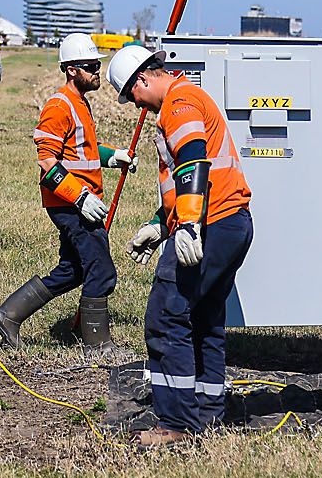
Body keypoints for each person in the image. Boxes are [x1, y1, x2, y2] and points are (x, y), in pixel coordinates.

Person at [106, 39, 253, 448]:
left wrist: (186, 226)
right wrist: (161, 224)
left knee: (167, 315)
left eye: (131, 94)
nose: (136, 104)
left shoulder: (179, 103)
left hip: (210, 223)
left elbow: (193, 159)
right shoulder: (187, 98)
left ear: (143, 79)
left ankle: (175, 424)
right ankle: (206, 415)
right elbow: (186, 180)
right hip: (228, 223)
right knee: (204, 319)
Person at [0, 33, 133, 351]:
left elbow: (83, 152)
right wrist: (80, 198)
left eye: (97, 64)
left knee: (73, 270)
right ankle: (97, 344)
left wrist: (113, 156)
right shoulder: (59, 105)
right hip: (72, 204)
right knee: (102, 269)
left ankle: (7, 315)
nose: (97, 71)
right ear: (70, 70)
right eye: (90, 66)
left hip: (81, 201)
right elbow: (47, 162)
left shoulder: (80, 104)